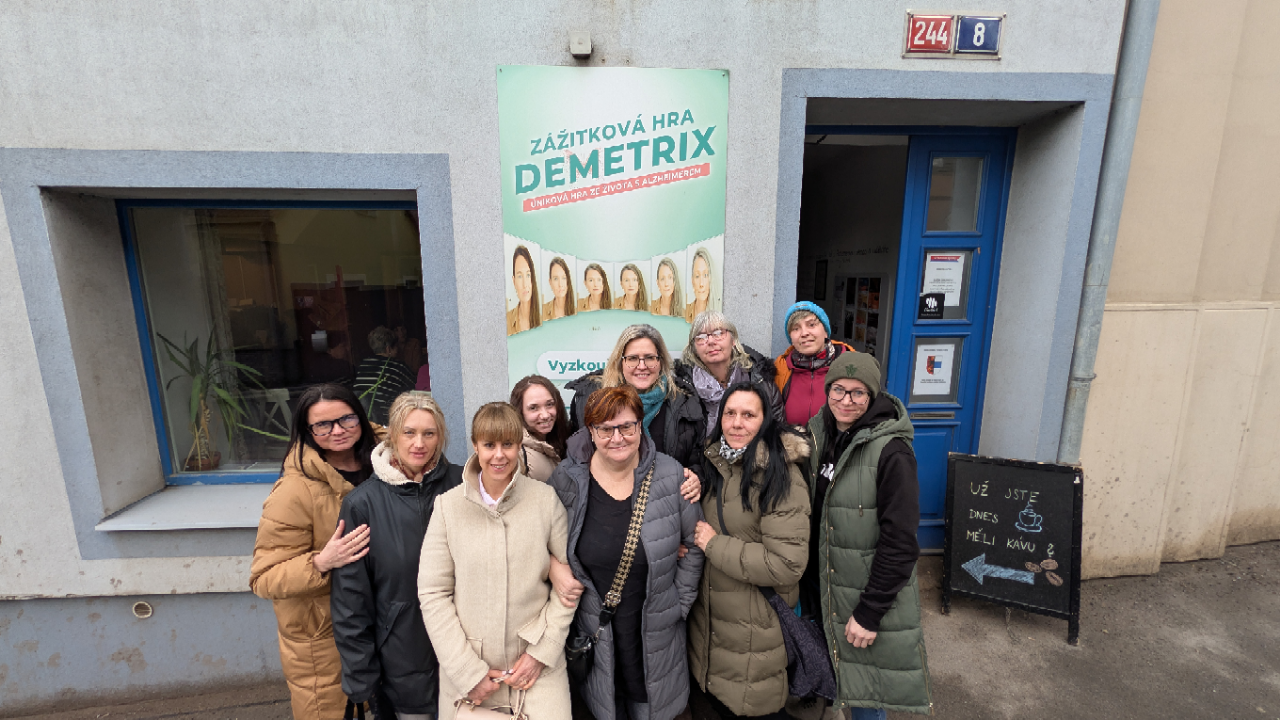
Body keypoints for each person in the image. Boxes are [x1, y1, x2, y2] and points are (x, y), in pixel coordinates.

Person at [547, 386, 705, 720]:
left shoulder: (671, 475)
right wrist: (552, 568)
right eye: (605, 429)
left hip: (656, 628)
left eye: (627, 427)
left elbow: (694, 543)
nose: (617, 438)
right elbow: (542, 539)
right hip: (595, 628)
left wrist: (679, 603)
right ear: (591, 431)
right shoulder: (567, 480)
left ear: (640, 426)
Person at [419, 403, 577, 719]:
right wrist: (466, 671)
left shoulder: (545, 500)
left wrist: (542, 651)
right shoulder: (448, 507)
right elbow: (433, 593)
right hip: (470, 669)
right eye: (489, 445)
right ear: (475, 446)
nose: (499, 455)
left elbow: (568, 587)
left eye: (508, 444)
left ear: (519, 446)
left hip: (537, 669)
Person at [802, 353, 931, 717]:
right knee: (832, 680)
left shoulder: (892, 453)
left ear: (873, 396)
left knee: (864, 692)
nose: (846, 400)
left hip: (861, 595)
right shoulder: (819, 433)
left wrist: (870, 612)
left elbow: (900, 542)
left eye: (858, 393)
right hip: (822, 586)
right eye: (838, 390)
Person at [250, 384, 380, 720]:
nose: (337, 431)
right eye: (323, 425)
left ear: (360, 417)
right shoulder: (293, 491)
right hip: (323, 638)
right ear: (307, 431)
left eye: (346, 419)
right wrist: (321, 562)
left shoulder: (388, 462)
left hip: (383, 621)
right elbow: (264, 578)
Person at [331, 392, 463, 720]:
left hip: (467, 662)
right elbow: (351, 601)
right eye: (409, 432)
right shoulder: (363, 504)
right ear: (392, 434)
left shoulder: (464, 486)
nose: (419, 443)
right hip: (402, 669)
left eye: (429, 433)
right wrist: (361, 677)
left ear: (440, 436)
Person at [688, 382, 811, 720]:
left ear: (765, 420)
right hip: (716, 629)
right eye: (730, 413)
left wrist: (713, 544)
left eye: (748, 415)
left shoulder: (781, 475)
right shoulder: (717, 464)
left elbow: (786, 564)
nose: (736, 423)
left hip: (756, 631)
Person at [566, 324, 705, 470]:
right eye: (632, 358)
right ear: (620, 362)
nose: (642, 366)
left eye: (650, 358)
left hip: (668, 484)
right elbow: (576, 458)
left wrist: (694, 477)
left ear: (660, 361)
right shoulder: (590, 399)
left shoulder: (684, 401)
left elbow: (698, 460)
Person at [674, 311, 784, 435]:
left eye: (718, 333)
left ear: (733, 340)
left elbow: (778, 433)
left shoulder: (760, 380)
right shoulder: (682, 389)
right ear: (694, 349)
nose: (710, 341)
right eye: (701, 337)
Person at [773, 301, 856, 427]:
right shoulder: (781, 368)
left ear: (825, 331)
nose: (804, 333)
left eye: (811, 325)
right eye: (796, 328)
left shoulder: (851, 364)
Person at [509, 374, 571, 482]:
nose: (545, 415)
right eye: (533, 408)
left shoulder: (559, 440)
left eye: (549, 404)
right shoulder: (517, 455)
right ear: (520, 411)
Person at [353, 326, 416, 426]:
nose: (398, 351)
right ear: (388, 349)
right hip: (384, 422)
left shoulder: (362, 365)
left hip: (361, 419)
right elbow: (414, 388)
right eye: (396, 347)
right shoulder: (398, 366)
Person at [507, 245, 541, 335]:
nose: (525, 284)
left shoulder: (543, 320)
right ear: (514, 281)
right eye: (520, 276)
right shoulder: (506, 321)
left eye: (528, 275)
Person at [543, 256, 578, 321]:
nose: (560, 284)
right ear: (550, 282)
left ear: (568, 280)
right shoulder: (543, 311)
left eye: (563, 278)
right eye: (556, 279)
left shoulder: (577, 312)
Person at [683, 248, 713, 323]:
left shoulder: (716, 317)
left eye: (705, 275)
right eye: (697, 276)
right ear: (692, 281)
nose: (701, 284)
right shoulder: (685, 312)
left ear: (710, 279)